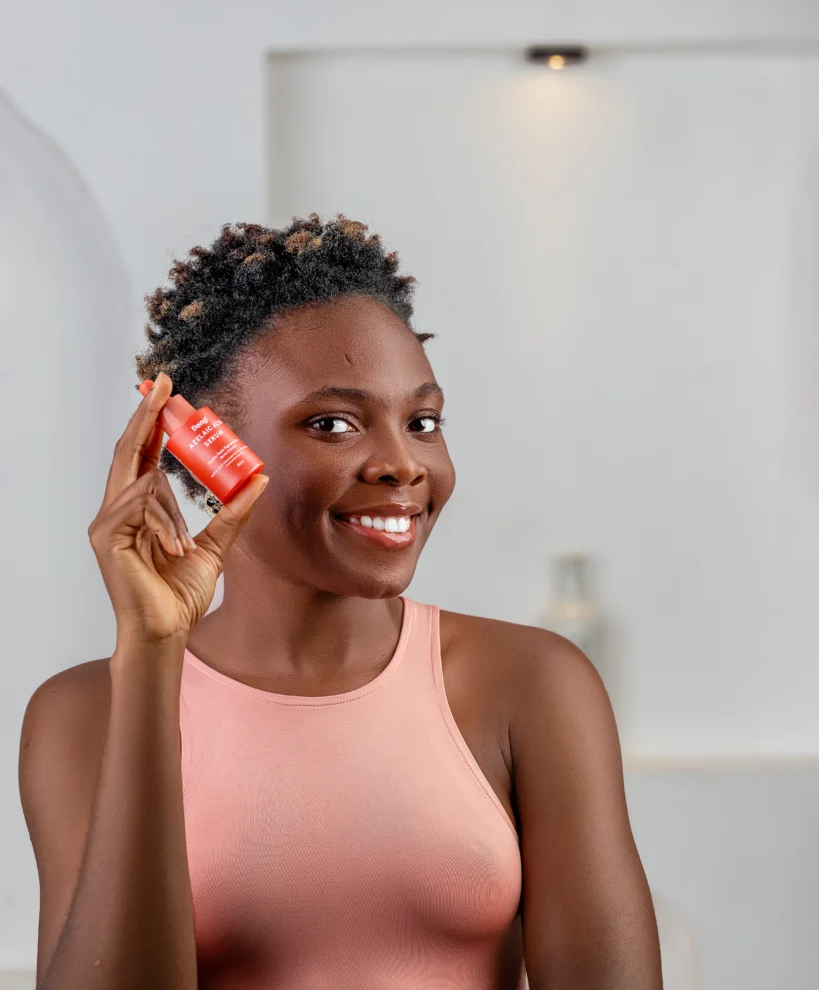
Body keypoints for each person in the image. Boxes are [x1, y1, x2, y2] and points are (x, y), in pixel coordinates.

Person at [18, 214, 663, 989]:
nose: (401, 463)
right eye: (332, 423)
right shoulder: (83, 714)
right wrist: (151, 660)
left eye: (422, 421)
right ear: (206, 450)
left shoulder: (531, 683)